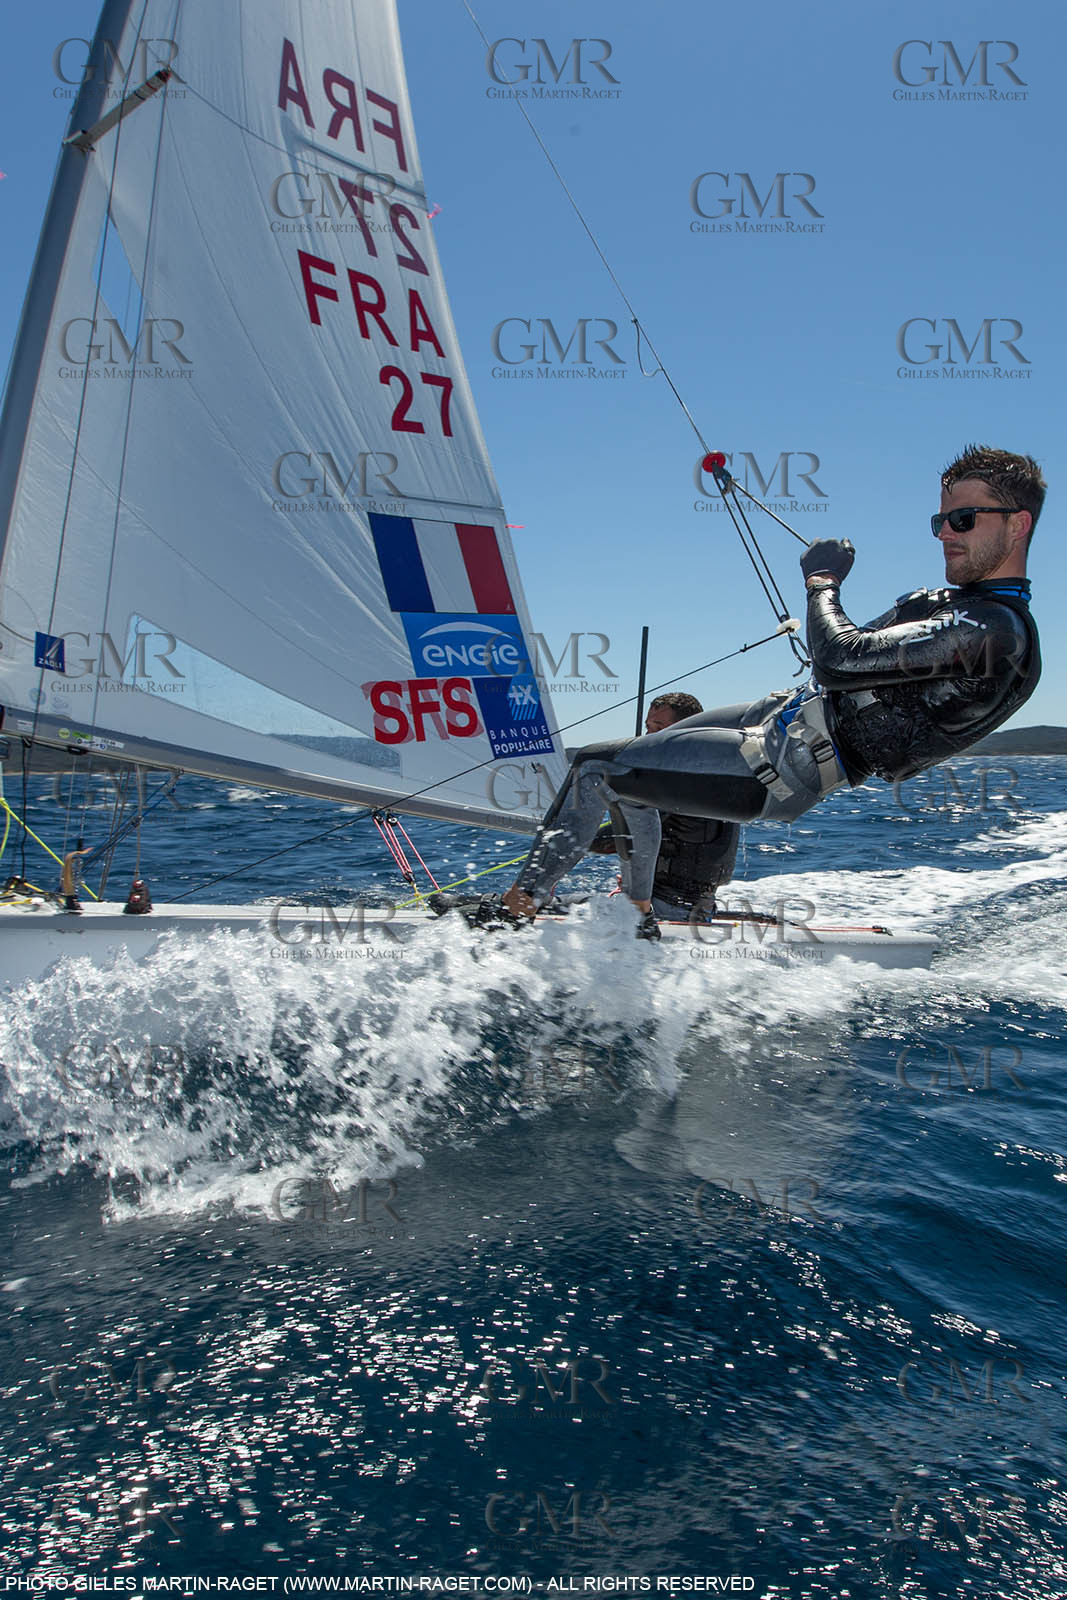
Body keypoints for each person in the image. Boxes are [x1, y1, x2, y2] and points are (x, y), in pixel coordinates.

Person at [437, 444, 1043, 939]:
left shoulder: (995, 632)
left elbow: (838, 659)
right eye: (940, 521)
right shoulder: (951, 608)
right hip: (776, 717)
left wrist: (822, 582)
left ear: (1018, 524)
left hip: (787, 766)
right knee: (627, 764)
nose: (945, 534)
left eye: (963, 520)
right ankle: (639, 908)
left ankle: (516, 910)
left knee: (596, 768)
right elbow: (854, 664)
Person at [585, 693, 739, 930]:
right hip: (691, 907)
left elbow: (615, 836)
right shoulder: (711, 771)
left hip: (668, 910)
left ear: (687, 731)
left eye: (659, 728)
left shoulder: (682, 784)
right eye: (648, 727)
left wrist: (565, 838)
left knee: (548, 907)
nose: (649, 736)